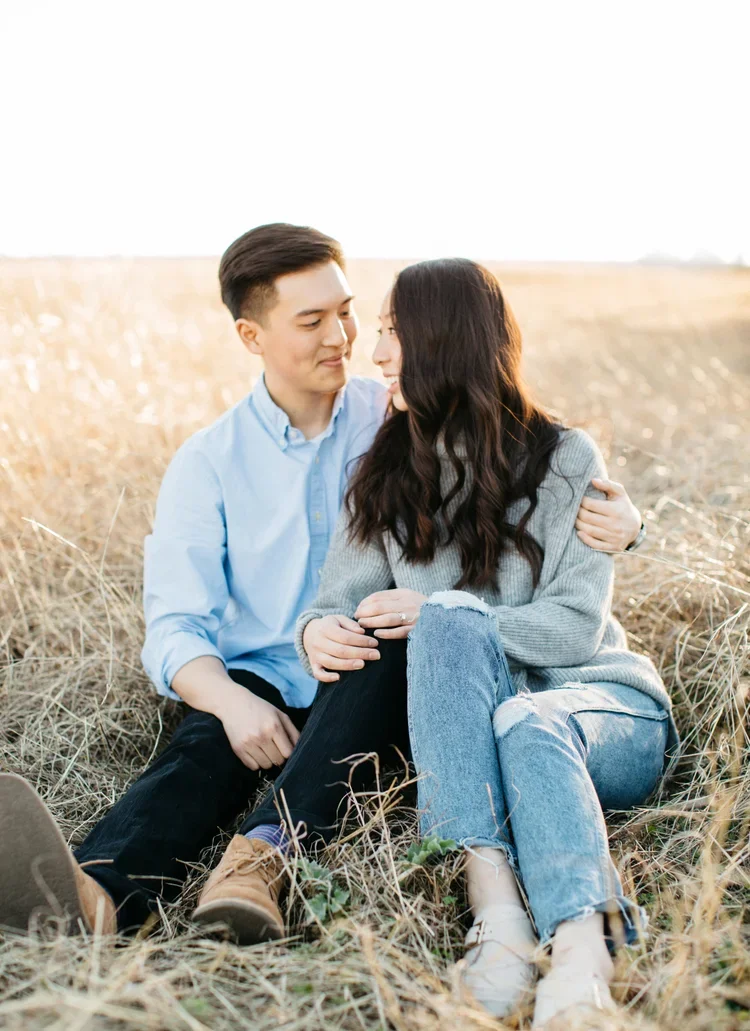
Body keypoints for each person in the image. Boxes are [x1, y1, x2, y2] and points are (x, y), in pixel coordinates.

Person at [0, 227, 644, 948]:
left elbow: (508, 430)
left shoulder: (396, 410)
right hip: (270, 677)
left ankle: (262, 864)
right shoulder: (208, 462)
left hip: (384, 679)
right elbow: (175, 626)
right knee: (206, 746)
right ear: (252, 335)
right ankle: (94, 895)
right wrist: (244, 696)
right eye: (312, 322)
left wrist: (626, 517)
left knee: (387, 643)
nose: (344, 338)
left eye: (347, 312)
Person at [297, 258, 681, 1028]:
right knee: (494, 699)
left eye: (392, 332)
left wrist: (445, 612)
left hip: (598, 709)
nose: (375, 354)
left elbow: (574, 626)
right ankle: (497, 921)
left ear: (447, 341)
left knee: (519, 709)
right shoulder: (385, 474)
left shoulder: (567, 459)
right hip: (485, 737)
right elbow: (335, 599)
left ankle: (584, 945)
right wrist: (318, 629)